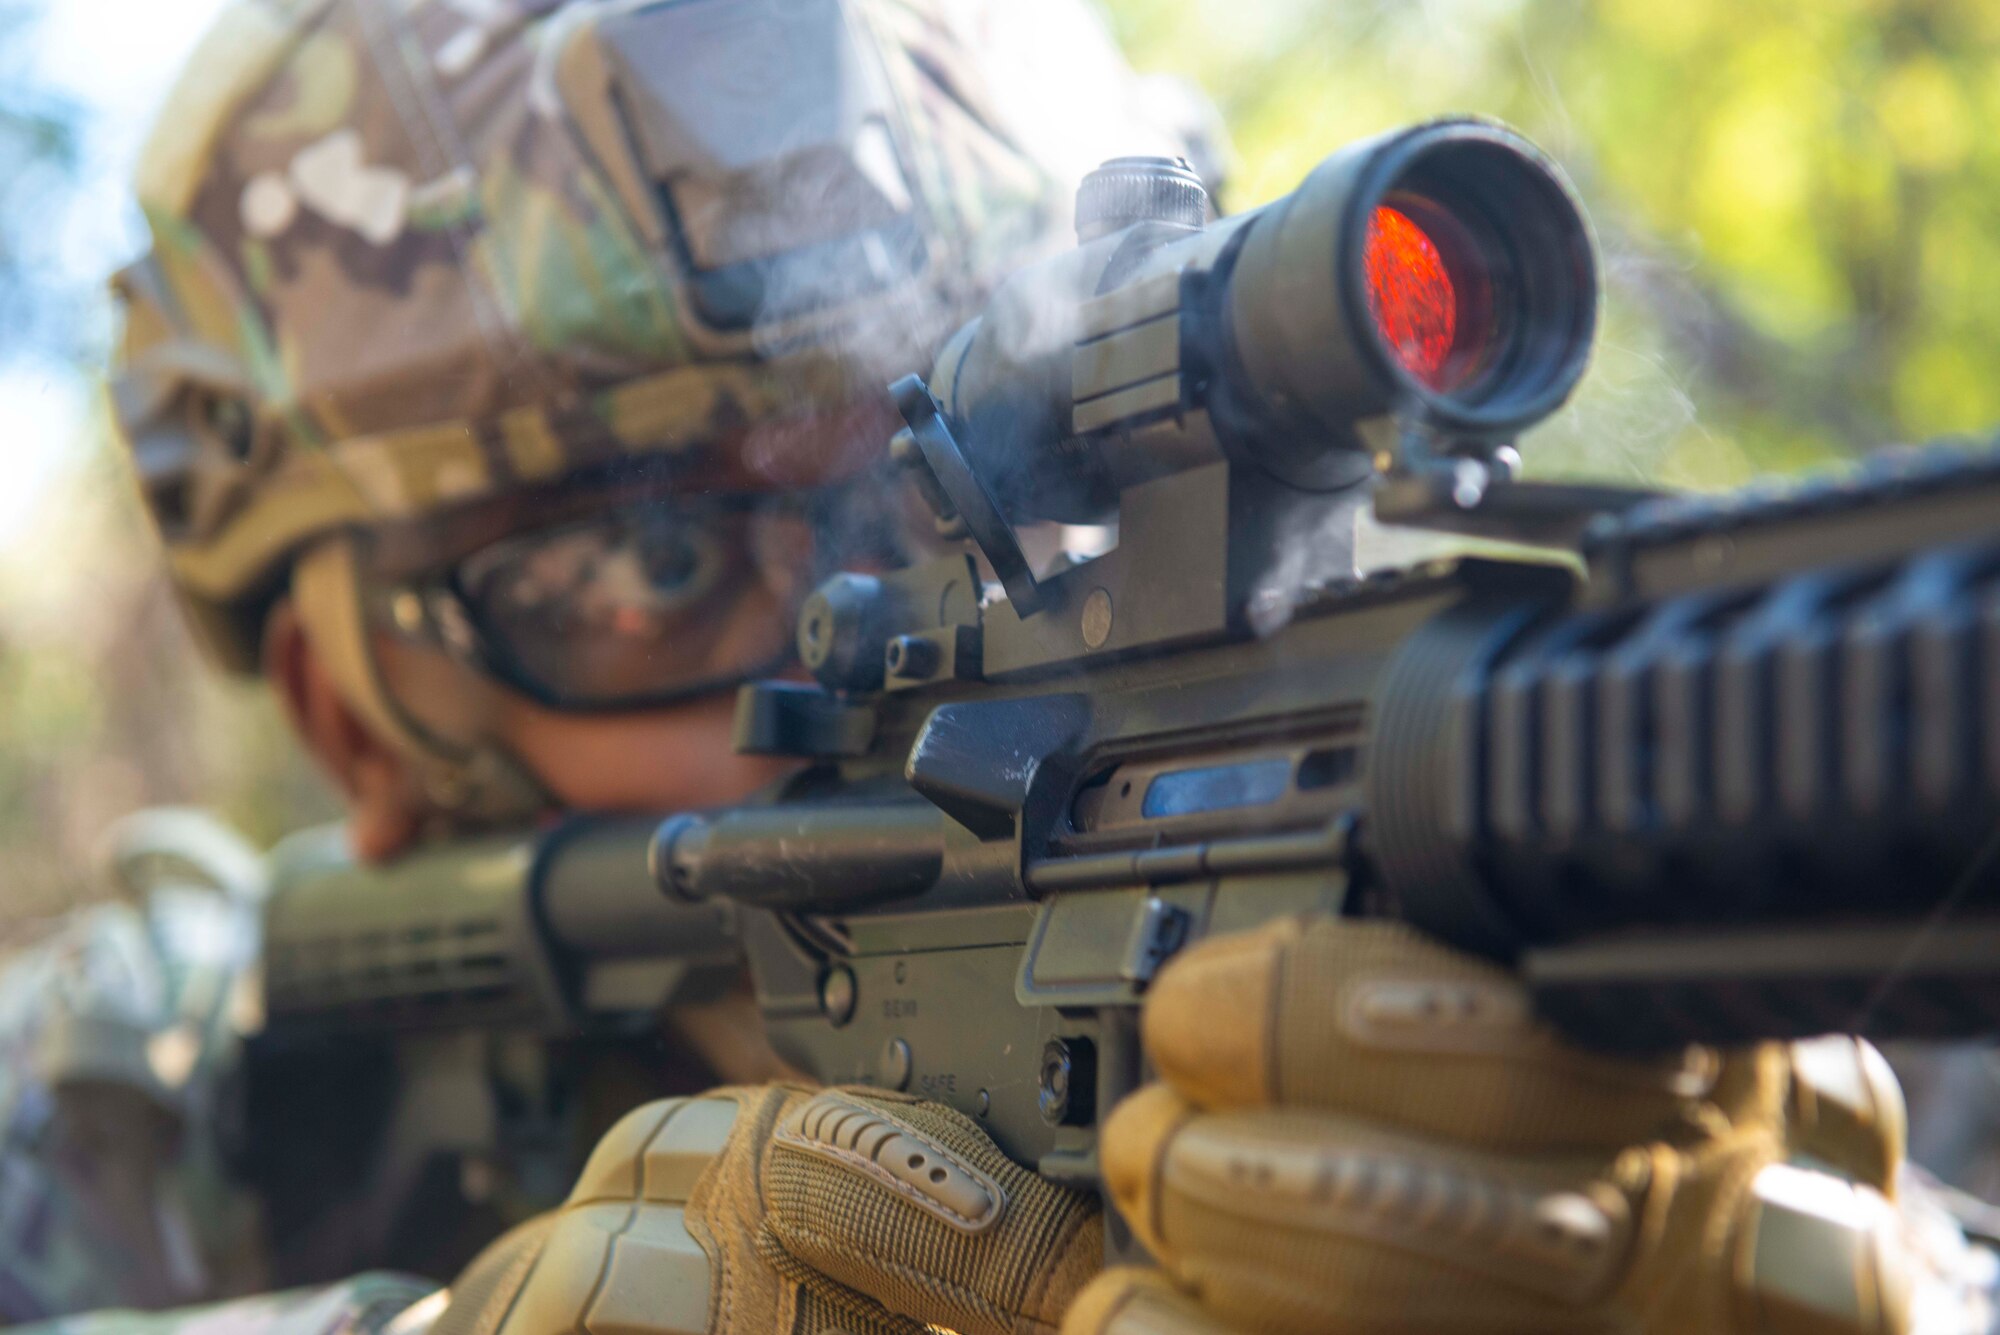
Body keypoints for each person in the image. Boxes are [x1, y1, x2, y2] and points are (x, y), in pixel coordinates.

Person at [7, 0, 1992, 1331]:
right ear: (364, 715)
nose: (880, 621)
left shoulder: (1767, 978)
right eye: (658, 552)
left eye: (964, 494)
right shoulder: (128, 1099)